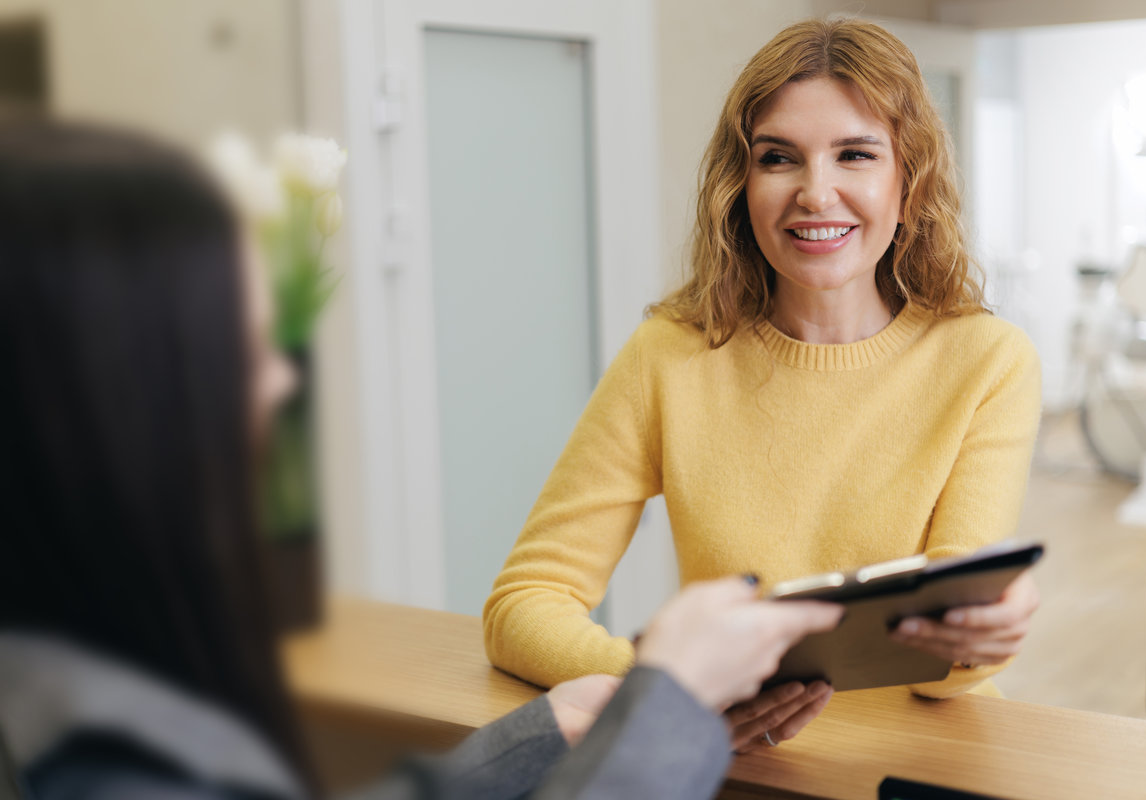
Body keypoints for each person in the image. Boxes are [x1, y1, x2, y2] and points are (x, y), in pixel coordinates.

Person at [0, 121, 843, 800]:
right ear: (106, 399)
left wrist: (549, 734)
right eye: (240, 350)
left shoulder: (70, 679)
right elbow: (529, 598)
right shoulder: (109, 752)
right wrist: (663, 701)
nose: (276, 387)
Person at [484, 16, 1043, 752]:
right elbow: (524, 603)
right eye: (779, 158)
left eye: (855, 155)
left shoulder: (986, 360)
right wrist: (675, 691)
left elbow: (939, 661)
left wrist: (983, 634)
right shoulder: (671, 355)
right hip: (726, 765)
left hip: (921, 762)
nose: (816, 193)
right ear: (739, 187)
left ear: (910, 182)